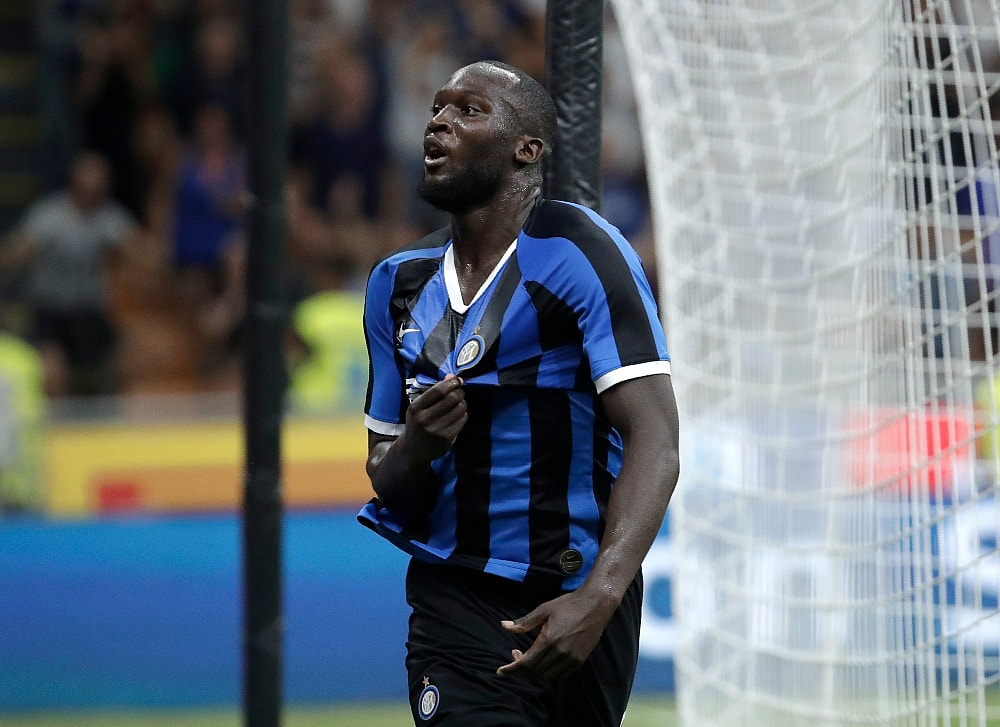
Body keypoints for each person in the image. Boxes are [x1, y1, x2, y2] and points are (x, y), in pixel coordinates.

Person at [358, 60, 680, 726]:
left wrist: (599, 597)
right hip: (457, 593)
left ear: (526, 149)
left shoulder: (582, 252)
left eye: (468, 110)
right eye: (436, 108)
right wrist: (418, 444)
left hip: (580, 594)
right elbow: (384, 473)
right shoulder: (396, 283)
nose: (439, 122)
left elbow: (656, 440)